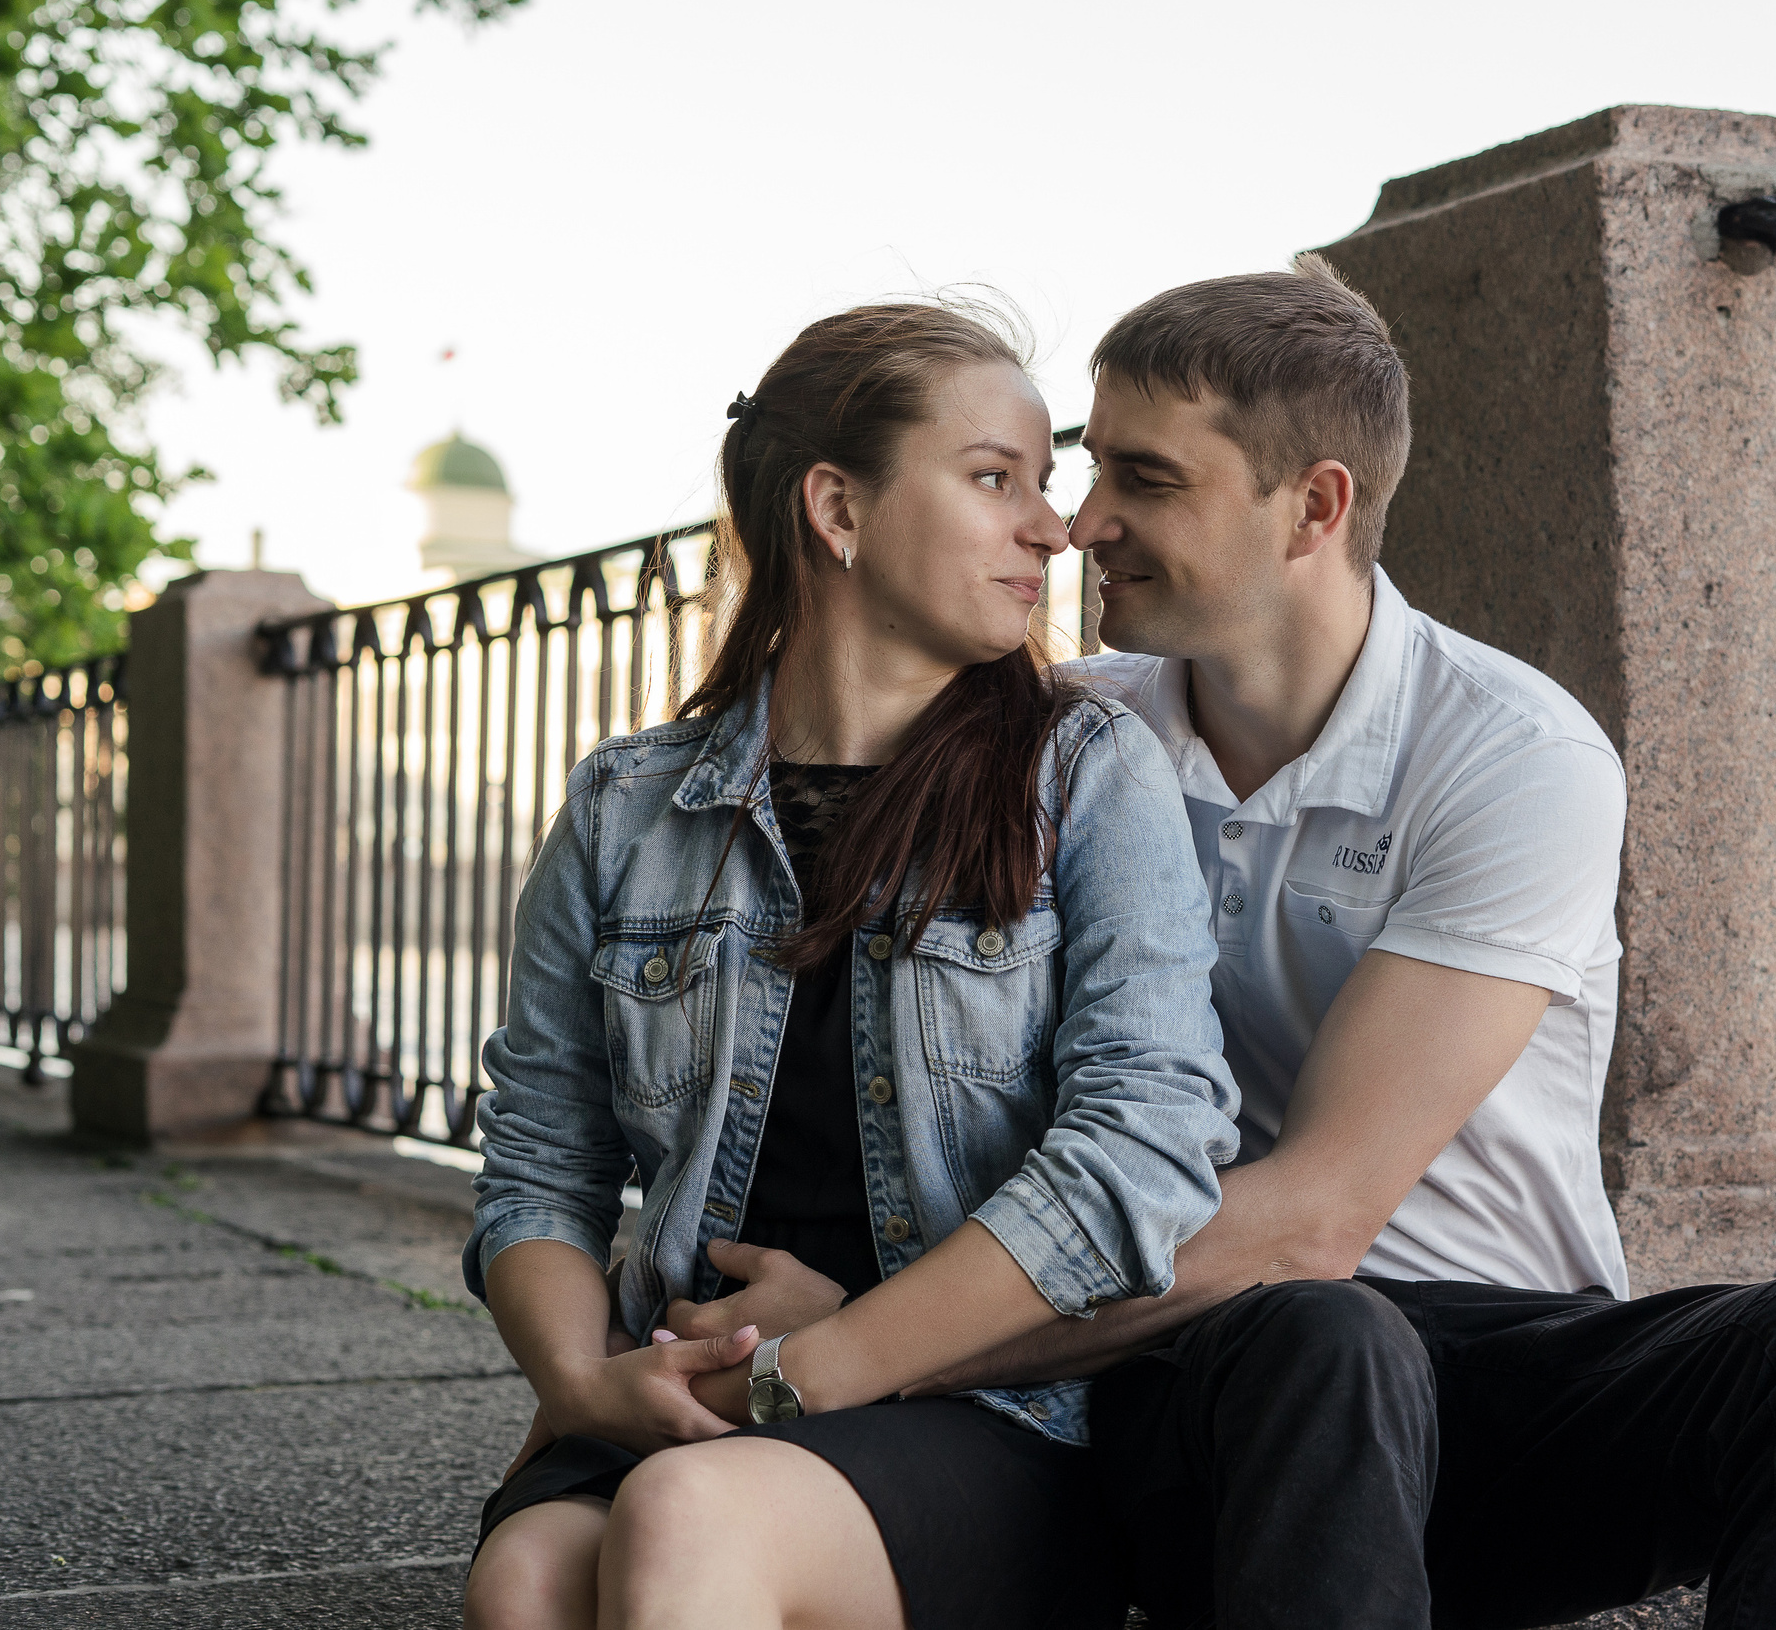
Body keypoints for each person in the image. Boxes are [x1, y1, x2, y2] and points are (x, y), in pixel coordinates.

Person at [687, 259, 1776, 1629]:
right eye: (1084, 467)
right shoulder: (1057, 744)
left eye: (1145, 478)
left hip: (1491, 1379)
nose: (1079, 522)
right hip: (1196, 1392)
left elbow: (1318, 1215)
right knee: (1323, 1334)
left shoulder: (1509, 753)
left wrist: (876, 1349)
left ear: (1315, 506)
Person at [458, 300, 1240, 1630]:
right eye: (998, 479)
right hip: (685, 1373)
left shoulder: (1086, 776)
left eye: (1041, 486)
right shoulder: (625, 806)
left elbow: (1144, 1148)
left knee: (684, 1520)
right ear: (839, 509)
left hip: (981, 1406)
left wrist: (809, 1369)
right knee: (528, 1581)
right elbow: (543, 1159)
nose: (1052, 528)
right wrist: (585, 1386)